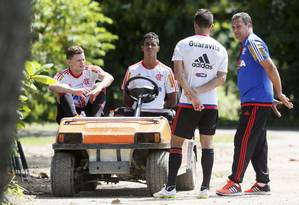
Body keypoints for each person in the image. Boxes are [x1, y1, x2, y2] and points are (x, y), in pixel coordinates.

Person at [216, 12, 293, 196]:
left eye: (238, 26)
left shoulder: (253, 42)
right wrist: (268, 98)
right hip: (257, 101)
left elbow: (270, 67)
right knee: (258, 143)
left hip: (255, 102)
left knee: (242, 139)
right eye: (233, 27)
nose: (235, 30)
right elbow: (259, 73)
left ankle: (235, 182)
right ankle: (262, 183)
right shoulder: (245, 45)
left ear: (249, 25)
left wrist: (279, 93)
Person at [153, 9, 228, 199]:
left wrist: (192, 95)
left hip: (187, 103)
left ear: (195, 24)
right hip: (210, 104)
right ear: (211, 27)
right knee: (207, 144)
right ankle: (204, 189)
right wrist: (200, 93)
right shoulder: (220, 48)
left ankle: (170, 188)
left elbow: (178, 74)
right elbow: (221, 79)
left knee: (177, 142)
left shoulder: (183, 44)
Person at [49, 45, 114, 123]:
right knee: (63, 88)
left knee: (100, 85)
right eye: (78, 60)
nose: (82, 63)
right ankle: (75, 117)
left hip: (88, 106)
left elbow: (109, 77)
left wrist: (99, 87)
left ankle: (96, 119)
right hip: (68, 112)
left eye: (83, 59)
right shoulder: (62, 75)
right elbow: (51, 85)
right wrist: (73, 91)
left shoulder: (91, 69)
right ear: (69, 62)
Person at [119, 32, 177, 118]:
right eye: (147, 44)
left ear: (158, 48)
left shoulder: (166, 71)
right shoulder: (132, 70)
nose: (150, 47)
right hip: (137, 113)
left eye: (153, 45)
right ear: (142, 48)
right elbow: (126, 98)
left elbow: (172, 100)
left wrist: (159, 109)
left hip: (158, 114)